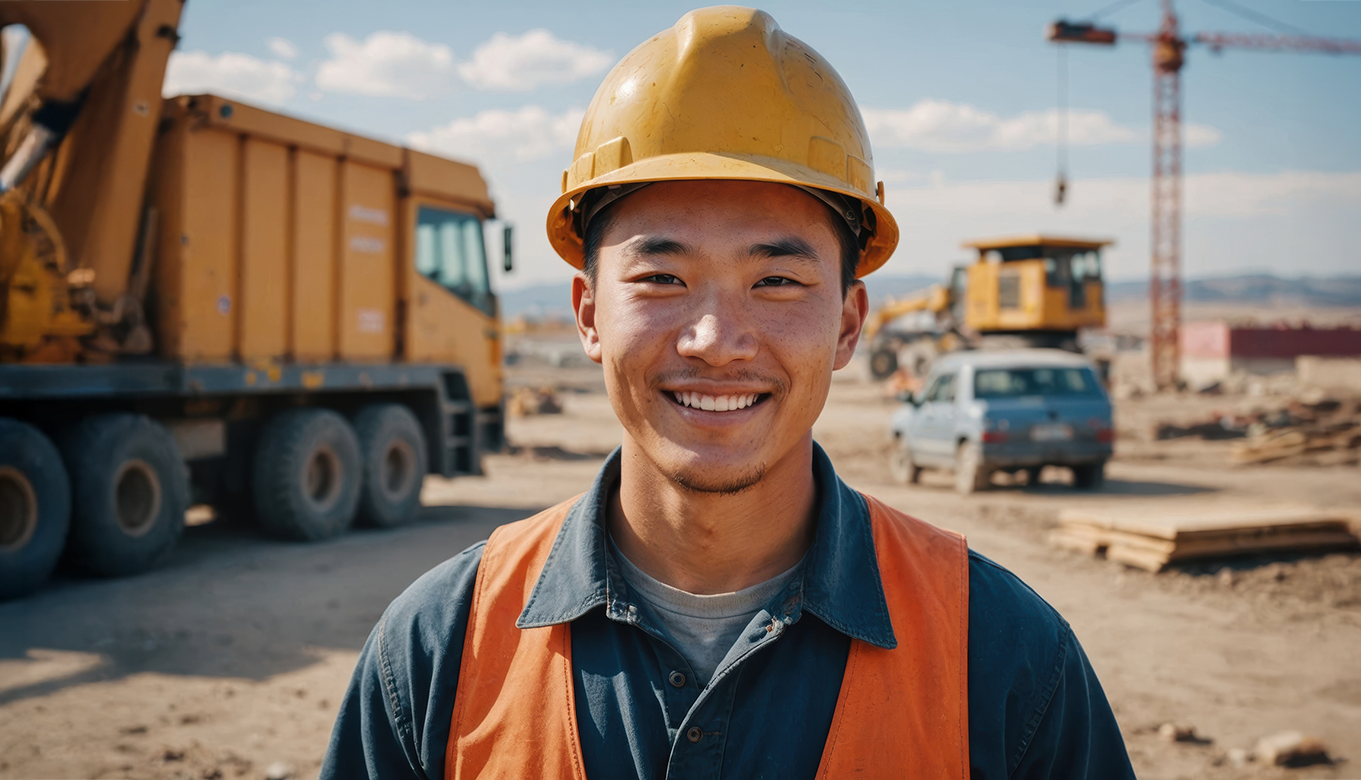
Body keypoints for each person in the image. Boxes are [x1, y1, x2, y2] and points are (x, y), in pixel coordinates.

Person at [321, 7, 1135, 778]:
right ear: (588, 314)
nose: (716, 341)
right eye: (662, 278)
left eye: (776, 280)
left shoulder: (1002, 657)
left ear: (849, 324)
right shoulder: (438, 650)